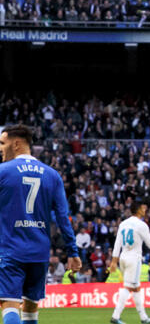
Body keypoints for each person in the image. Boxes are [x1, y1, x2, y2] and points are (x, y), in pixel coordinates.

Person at [0, 124, 82, 324]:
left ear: (16, 144)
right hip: (39, 252)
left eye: (2, 143)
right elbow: (63, 217)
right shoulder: (52, 175)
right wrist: (73, 252)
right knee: (30, 307)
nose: (0, 148)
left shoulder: (3, 172)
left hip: (11, 249)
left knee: (9, 304)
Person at [108, 201, 150, 324]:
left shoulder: (123, 223)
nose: (145, 211)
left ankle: (144, 318)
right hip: (134, 259)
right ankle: (115, 316)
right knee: (128, 287)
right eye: (143, 208)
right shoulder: (142, 225)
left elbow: (117, 244)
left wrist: (114, 261)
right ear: (138, 210)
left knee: (136, 287)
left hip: (123, 258)